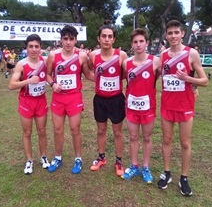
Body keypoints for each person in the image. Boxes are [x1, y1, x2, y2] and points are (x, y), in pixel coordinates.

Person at [157, 20, 208, 196]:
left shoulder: (191, 53)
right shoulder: (163, 56)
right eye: (170, 33)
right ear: (166, 35)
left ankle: (184, 177)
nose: (173, 36)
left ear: (182, 33)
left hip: (185, 105)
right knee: (166, 140)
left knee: (185, 142)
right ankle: (167, 173)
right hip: (167, 104)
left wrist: (189, 80)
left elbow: (205, 80)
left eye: (176, 32)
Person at [46, 25, 94, 174]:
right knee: (58, 129)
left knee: (75, 129)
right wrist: (53, 84)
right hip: (58, 98)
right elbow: (47, 75)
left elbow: (88, 75)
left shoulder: (81, 56)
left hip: (74, 97)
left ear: (75, 40)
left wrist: (106, 78)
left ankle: (78, 159)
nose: (68, 42)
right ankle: (58, 157)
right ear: (61, 40)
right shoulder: (53, 55)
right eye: (65, 39)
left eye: (71, 39)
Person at [121, 28, 161, 183]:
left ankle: (146, 167)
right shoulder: (126, 63)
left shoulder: (155, 61)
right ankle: (134, 165)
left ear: (147, 43)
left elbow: (159, 78)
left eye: (141, 41)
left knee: (147, 137)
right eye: (135, 42)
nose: (138, 45)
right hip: (131, 106)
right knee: (133, 136)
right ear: (131, 44)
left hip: (148, 107)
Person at [88, 21, 128, 176]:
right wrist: (98, 81)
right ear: (98, 39)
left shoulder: (121, 55)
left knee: (117, 132)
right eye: (103, 36)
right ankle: (101, 157)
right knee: (101, 130)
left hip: (116, 99)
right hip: (100, 99)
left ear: (114, 40)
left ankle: (118, 161)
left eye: (109, 36)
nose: (106, 39)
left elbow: (126, 73)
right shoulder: (93, 55)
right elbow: (89, 71)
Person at [8, 34, 50, 175]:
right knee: (27, 132)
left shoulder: (45, 61)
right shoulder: (21, 64)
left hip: (40, 100)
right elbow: (12, 85)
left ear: (40, 48)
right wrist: (28, 81)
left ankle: (43, 157)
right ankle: (29, 160)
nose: (33, 49)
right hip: (26, 101)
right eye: (30, 46)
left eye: (36, 46)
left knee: (42, 131)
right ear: (26, 48)